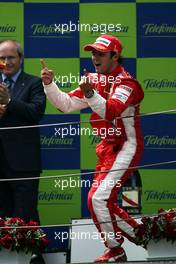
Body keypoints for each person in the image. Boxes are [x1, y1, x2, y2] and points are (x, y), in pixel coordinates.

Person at [41, 34, 144, 262]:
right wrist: (49, 84)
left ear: (115, 56)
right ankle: (140, 234)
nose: (95, 57)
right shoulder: (94, 81)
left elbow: (111, 111)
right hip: (107, 148)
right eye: (93, 52)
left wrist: (89, 93)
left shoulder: (127, 83)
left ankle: (121, 246)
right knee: (95, 199)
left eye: (100, 53)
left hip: (127, 145)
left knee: (98, 198)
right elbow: (66, 104)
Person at [0, 40, 46, 264]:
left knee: (24, 217)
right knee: (4, 221)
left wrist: (8, 101)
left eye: (11, 57)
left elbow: (36, 112)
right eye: (2, 58)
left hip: (23, 164)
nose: (6, 62)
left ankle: (34, 260)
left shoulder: (34, 83)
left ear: (20, 59)